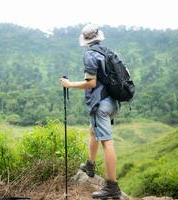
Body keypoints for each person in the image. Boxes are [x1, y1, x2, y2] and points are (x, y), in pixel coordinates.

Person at [60, 24, 122, 199]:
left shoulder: (90, 55)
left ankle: (112, 187)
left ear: (85, 41)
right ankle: (90, 165)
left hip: (101, 105)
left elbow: (91, 83)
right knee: (92, 130)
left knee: (107, 143)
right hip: (113, 102)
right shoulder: (108, 52)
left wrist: (69, 84)